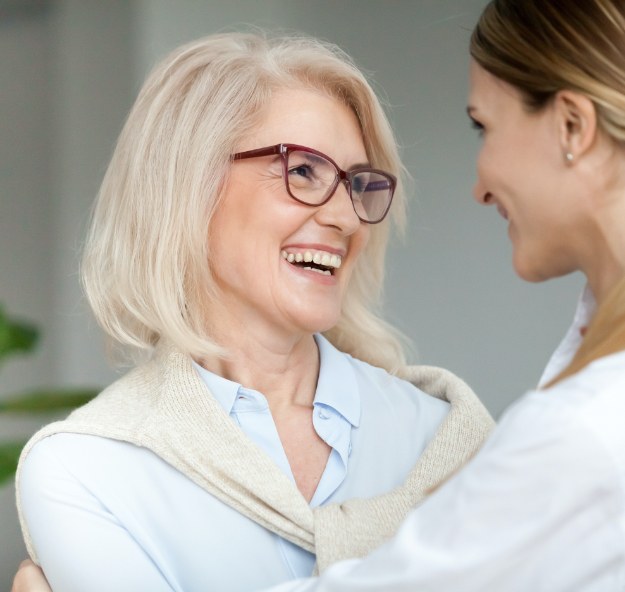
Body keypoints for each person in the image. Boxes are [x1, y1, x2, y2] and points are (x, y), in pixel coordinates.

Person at [11, 32, 492, 592]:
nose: (348, 218)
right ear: (188, 185)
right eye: (304, 171)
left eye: (358, 184)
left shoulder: (442, 434)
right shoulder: (86, 469)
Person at [251, 0, 625, 588]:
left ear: (573, 126)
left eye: (486, 126)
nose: (478, 187)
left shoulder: (583, 430)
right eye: (302, 172)